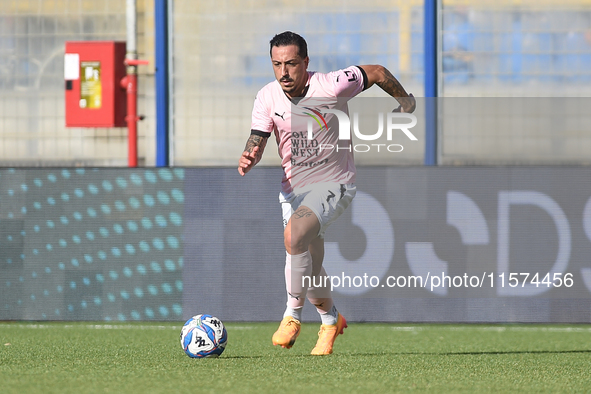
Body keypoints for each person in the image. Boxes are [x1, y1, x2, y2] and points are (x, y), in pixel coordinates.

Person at [238, 31, 415, 355]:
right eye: (277, 64)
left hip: (335, 183)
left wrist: (405, 99)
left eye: (291, 64)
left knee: (294, 237)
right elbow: (258, 138)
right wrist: (250, 154)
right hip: (293, 190)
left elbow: (375, 72)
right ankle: (330, 320)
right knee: (309, 266)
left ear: (306, 62)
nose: (283, 72)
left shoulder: (331, 85)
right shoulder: (267, 97)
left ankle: (291, 315)